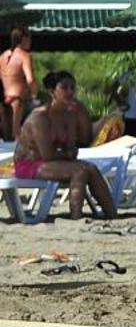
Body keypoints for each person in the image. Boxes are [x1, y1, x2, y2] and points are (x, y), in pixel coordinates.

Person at [10, 71, 117, 218]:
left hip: (53, 161)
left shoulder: (69, 115)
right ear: (51, 91)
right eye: (64, 88)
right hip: (30, 164)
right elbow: (47, 154)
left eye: (72, 88)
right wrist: (67, 154)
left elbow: (79, 143)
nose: (70, 92)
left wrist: (80, 110)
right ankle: (76, 217)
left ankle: (112, 214)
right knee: (79, 171)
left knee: (91, 168)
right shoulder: (40, 117)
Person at [1, 27, 36, 140]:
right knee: (14, 134)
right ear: (23, 39)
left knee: (5, 135)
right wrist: (34, 95)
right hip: (16, 98)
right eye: (29, 38)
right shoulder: (24, 56)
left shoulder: (2, 56)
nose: (30, 41)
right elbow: (30, 79)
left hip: (3, 97)